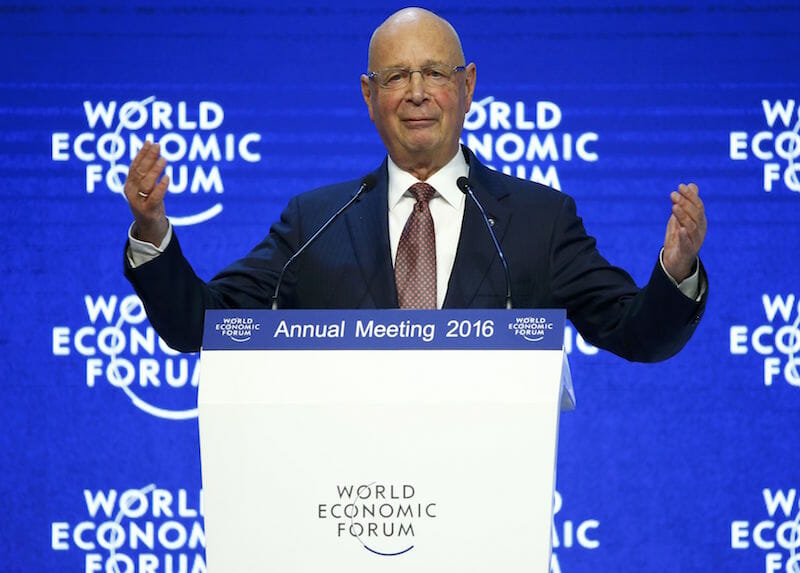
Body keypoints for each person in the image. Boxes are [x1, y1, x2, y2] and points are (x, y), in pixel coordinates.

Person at [123, 7, 707, 359]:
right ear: (369, 95)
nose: (419, 92)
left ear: (469, 86)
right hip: (349, 511)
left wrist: (676, 269)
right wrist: (151, 231)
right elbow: (199, 325)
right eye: (397, 75)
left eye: (435, 72)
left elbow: (638, 334)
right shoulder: (313, 222)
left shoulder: (539, 220)